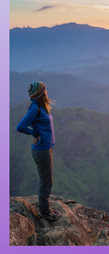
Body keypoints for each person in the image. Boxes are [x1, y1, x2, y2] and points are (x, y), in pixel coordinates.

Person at [16, 82, 61, 221]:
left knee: (47, 179)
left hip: (47, 148)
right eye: (45, 90)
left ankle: (45, 208)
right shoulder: (35, 107)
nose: (47, 92)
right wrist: (35, 133)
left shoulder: (41, 106)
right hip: (42, 150)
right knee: (46, 180)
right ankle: (45, 212)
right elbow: (20, 126)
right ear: (41, 94)